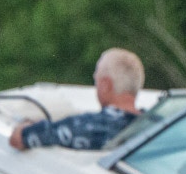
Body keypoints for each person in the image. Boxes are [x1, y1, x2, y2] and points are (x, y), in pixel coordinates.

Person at [11, 49, 146, 150]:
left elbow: (18, 138)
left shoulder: (86, 126)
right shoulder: (151, 126)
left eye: (96, 79)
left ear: (105, 85)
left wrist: (26, 125)